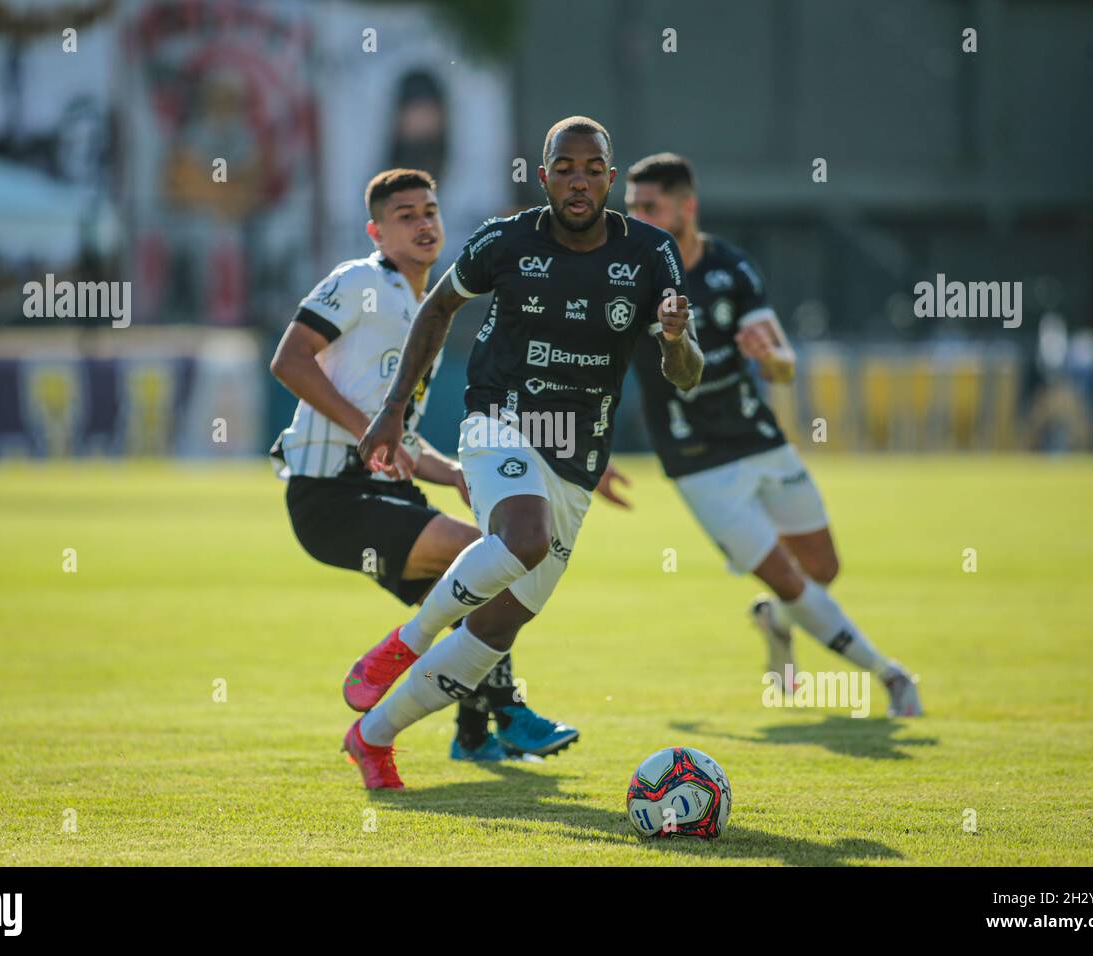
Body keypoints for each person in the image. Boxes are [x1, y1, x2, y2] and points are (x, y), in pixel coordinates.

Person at [341, 117, 704, 789]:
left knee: (495, 629)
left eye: (592, 169)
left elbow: (686, 372)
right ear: (544, 178)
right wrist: (393, 409)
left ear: (610, 178)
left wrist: (676, 340)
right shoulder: (505, 241)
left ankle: (373, 737)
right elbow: (438, 308)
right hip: (498, 419)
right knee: (525, 536)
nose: (578, 181)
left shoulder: (651, 254)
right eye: (564, 168)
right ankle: (402, 644)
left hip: (578, 455)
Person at [269, 168, 579, 762]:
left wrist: (455, 474)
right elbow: (289, 360)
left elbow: (401, 442)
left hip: (378, 494)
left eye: (430, 211)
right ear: (376, 232)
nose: (423, 223)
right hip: (329, 495)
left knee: (482, 593)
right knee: (487, 554)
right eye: (405, 215)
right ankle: (509, 712)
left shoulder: (424, 307)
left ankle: (472, 736)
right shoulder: (360, 279)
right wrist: (370, 429)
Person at [622, 152, 922, 717]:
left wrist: (771, 358)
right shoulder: (630, 278)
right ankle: (892, 676)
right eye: (632, 207)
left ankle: (775, 625)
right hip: (696, 461)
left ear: (687, 207)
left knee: (823, 569)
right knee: (787, 577)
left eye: (650, 206)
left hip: (760, 438)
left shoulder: (731, 269)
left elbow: (782, 363)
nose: (638, 217)